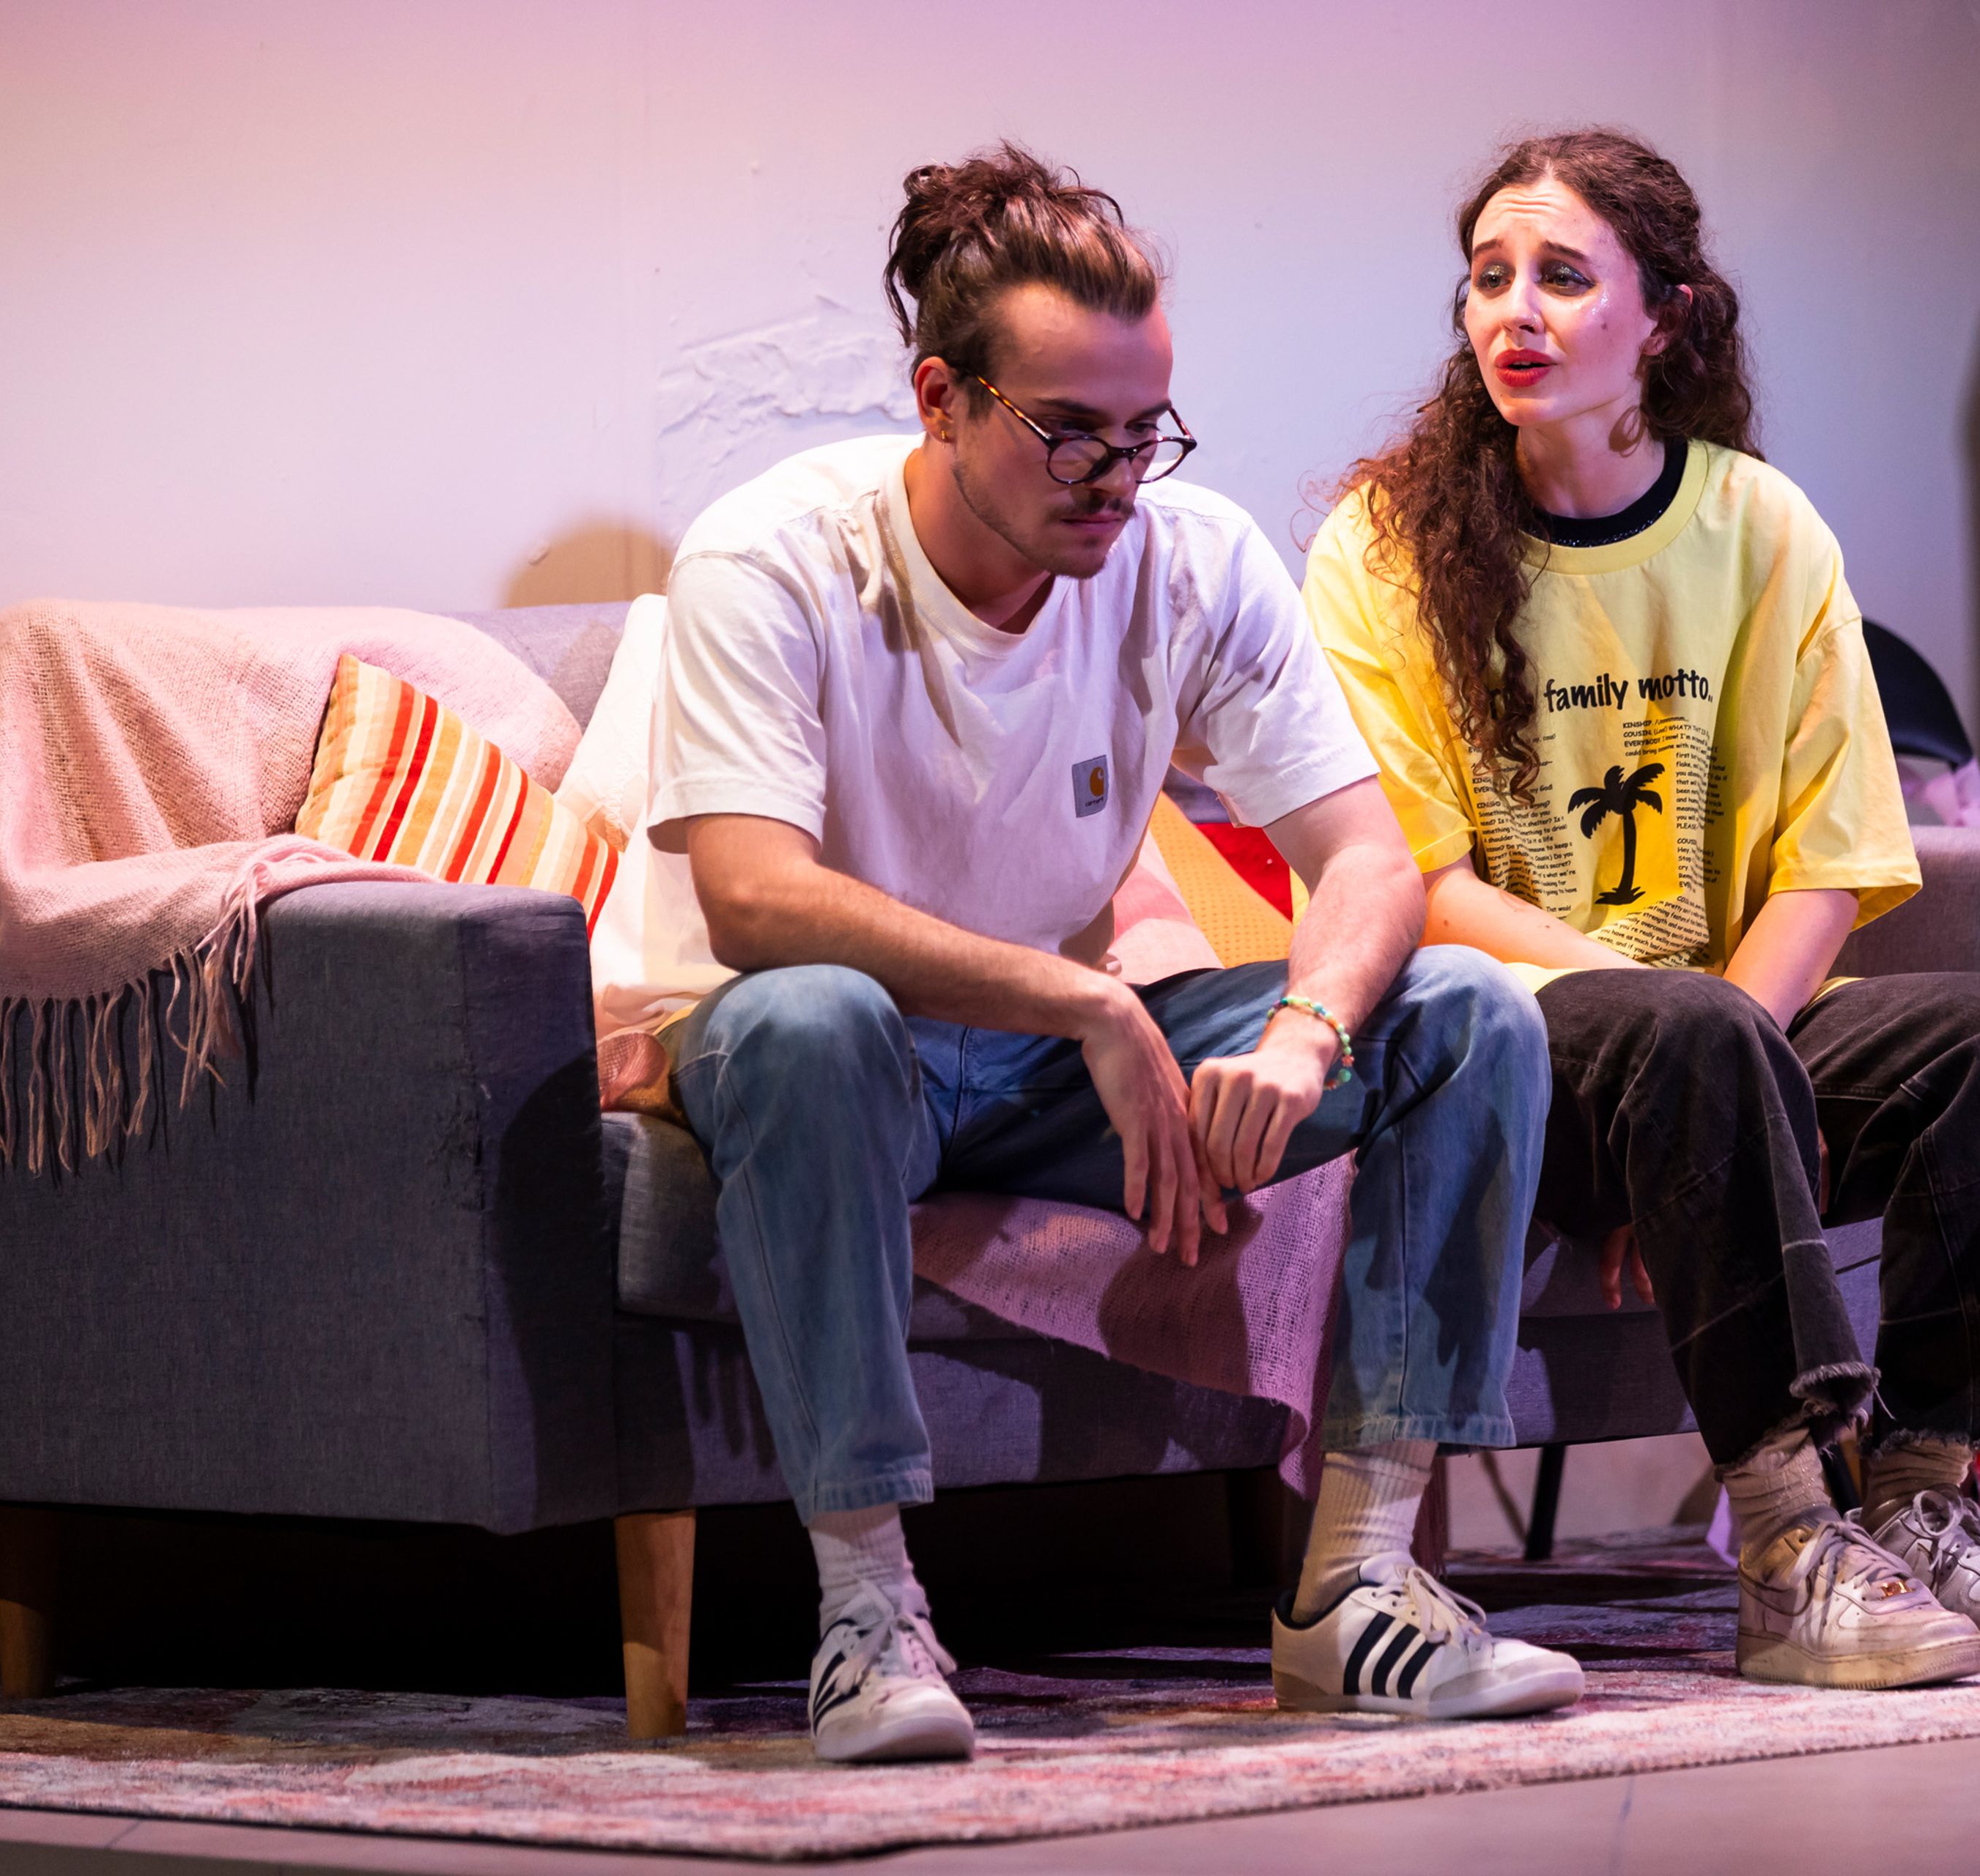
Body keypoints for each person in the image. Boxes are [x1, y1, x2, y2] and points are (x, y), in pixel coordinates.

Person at [591, 145, 1580, 1762]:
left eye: (1146, 433)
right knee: (811, 1017)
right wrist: (1086, 998)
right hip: (837, 1052)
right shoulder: (773, 555)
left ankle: (1360, 1591)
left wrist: (1306, 1031)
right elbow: (757, 898)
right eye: (1068, 432)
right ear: (940, 397)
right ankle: (868, 1608)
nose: (1117, 477)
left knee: (1465, 1007)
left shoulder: (1185, 558)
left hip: (1051, 1057)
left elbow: (1366, 863)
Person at [1304, 128, 1980, 1691]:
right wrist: (1692, 1032)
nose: (1512, 313)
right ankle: (1789, 1536)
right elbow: (1412, 881)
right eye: (1487, 278)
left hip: (1720, 1036)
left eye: (1561, 275)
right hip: (1507, 1048)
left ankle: (1923, 1497)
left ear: (1664, 316)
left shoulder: (1761, 528)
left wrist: (1733, 1046)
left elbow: (1826, 859)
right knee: (1686, 1035)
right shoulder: (1384, 546)